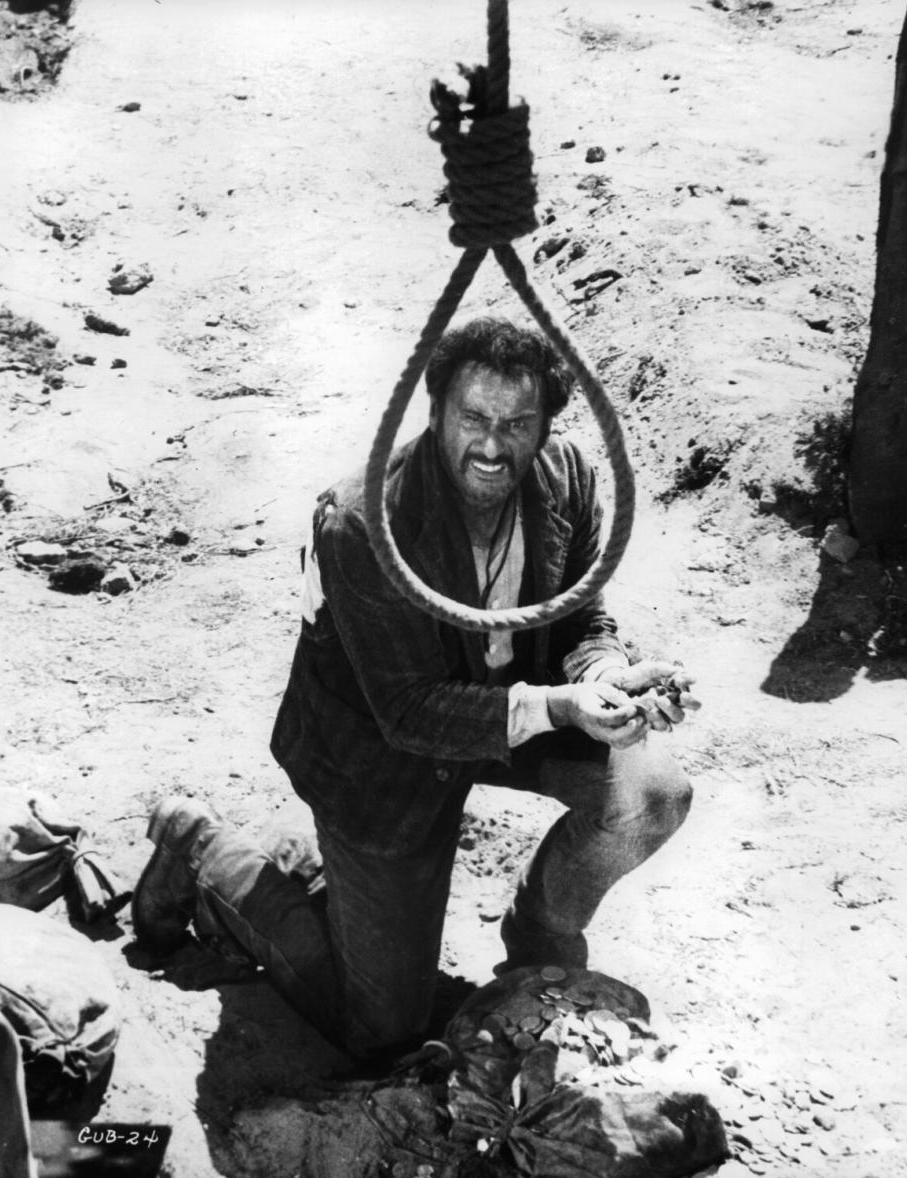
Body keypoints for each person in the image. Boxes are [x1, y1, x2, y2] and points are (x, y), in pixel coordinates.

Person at [132, 317, 695, 1063]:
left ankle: (537, 943)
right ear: (435, 414)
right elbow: (407, 711)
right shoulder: (362, 522)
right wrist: (559, 707)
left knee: (652, 791)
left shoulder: (567, 476)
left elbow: (582, 616)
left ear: (547, 425)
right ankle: (203, 851)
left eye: (519, 423)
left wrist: (603, 677)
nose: (493, 446)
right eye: (474, 418)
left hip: (506, 713)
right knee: (385, 1032)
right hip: (382, 762)